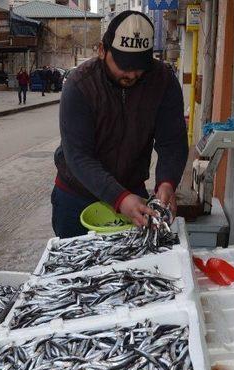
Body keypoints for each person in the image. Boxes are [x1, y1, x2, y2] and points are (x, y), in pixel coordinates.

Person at [51, 10, 188, 238]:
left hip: (131, 189)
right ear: (102, 51)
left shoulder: (162, 81)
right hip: (76, 195)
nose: (132, 74)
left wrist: (167, 182)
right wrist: (119, 198)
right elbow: (79, 157)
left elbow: (172, 142)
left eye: (139, 65)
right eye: (124, 64)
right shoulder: (79, 85)